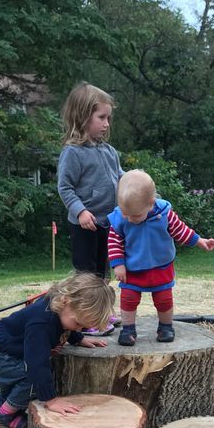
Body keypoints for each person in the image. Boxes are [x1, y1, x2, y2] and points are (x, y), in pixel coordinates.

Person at [0, 272, 116, 428]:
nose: (80, 328)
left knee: (14, 396)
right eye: (78, 324)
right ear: (65, 301)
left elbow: (64, 328)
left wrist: (79, 338)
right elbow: (36, 364)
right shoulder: (42, 323)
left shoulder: (60, 311)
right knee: (33, 379)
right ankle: (4, 417)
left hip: (6, 354)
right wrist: (51, 400)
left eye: (84, 327)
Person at [108, 169, 214, 346]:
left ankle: (165, 326)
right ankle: (128, 329)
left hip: (161, 266)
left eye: (134, 215)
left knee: (164, 298)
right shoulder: (120, 218)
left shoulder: (164, 214)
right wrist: (118, 264)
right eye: (124, 212)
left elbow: (180, 231)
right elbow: (114, 243)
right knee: (129, 298)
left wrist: (198, 241)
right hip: (132, 268)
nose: (128, 218)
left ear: (151, 204)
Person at [57, 82, 124, 334]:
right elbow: (65, 188)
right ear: (83, 117)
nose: (107, 123)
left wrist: (141, 189)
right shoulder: (72, 153)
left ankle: (102, 314)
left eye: (108, 117)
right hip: (84, 225)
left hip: (107, 223)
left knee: (103, 273)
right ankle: (83, 319)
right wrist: (81, 211)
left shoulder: (109, 151)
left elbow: (121, 179)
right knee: (86, 277)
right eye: (101, 117)